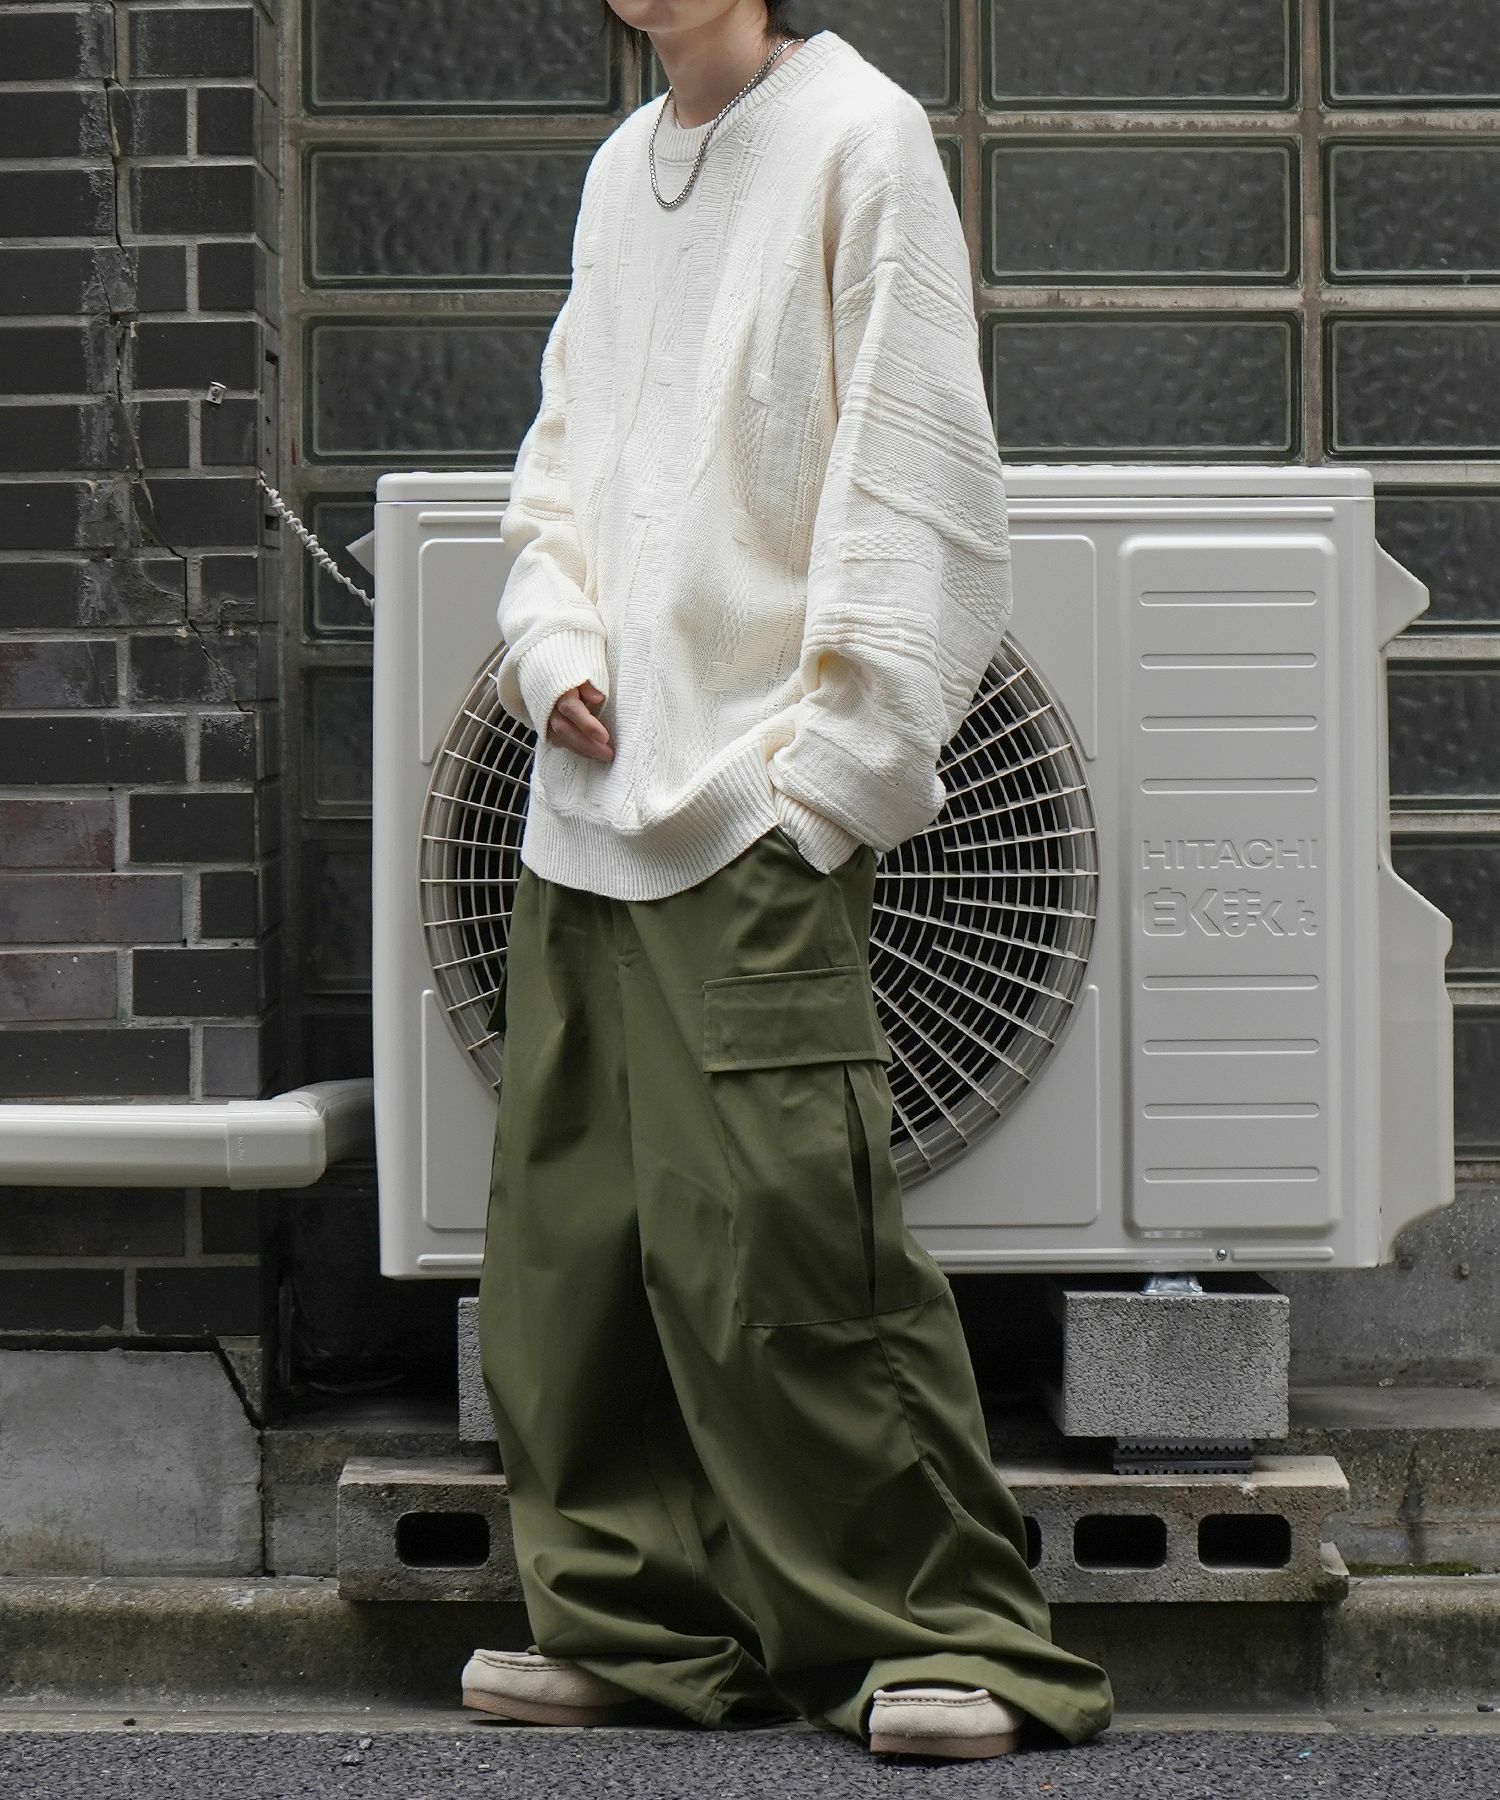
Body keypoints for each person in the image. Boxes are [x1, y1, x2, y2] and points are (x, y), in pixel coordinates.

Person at [461, 0, 1115, 1763]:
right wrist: (549, 641)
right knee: (576, 1254)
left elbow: (921, 483)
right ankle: (644, 1628)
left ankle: (952, 1638)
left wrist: (831, 776)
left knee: (787, 1245)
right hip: (586, 802)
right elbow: (561, 457)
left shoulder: (859, 136)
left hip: (754, 799)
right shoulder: (621, 168)